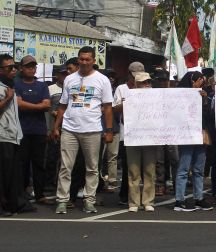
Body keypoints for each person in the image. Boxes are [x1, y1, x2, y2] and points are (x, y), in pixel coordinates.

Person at [51, 47, 114, 214]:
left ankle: (89, 200)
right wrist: (56, 127)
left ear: (94, 61)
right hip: (69, 129)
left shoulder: (102, 80)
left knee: (92, 167)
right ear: (78, 60)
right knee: (65, 166)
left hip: (92, 129)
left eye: (87, 59)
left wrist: (109, 130)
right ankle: (62, 200)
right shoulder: (70, 79)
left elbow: (108, 107)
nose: (84, 62)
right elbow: (63, 105)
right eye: (81, 59)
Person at [173, 71, 213, 212]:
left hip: (201, 133)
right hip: (186, 134)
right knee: (184, 168)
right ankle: (179, 200)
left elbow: (209, 115)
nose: (201, 83)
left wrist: (205, 100)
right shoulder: (180, 94)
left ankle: (198, 198)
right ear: (192, 81)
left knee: (198, 169)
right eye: (199, 81)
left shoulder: (203, 94)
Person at [14, 55, 51, 205]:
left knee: (39, 164)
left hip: (39, 130)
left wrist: (27, 104)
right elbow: (18, 104)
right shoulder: (16, 84)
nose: (31, 69)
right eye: (28, 66)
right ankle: (22, 193)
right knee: (22, 163)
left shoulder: (42, 86)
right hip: (22, 130)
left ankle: (40, 194)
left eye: (33, 66)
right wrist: (38, 106)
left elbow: (47, 105)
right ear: (21, 68)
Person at [124, 72, 159, 212]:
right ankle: (133, 202)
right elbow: (117, 110)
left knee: (149, 170)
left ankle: (148, 201)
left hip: (150, 138)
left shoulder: (156, 98)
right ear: (136, 84)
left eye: (148, 82)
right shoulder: (128, 96)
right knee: (133, 171)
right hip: (133, 138)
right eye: (144, 82)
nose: (147, 85)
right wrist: (125, 102)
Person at [113, 62, 146, 206]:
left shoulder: (147, 88)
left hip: (145, 132)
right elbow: (115, 108)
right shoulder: (122, 88)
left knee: (146, 166)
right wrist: (127, 102)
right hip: (127, 133)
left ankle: (144, 196)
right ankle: (125, 194)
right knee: (129, 167)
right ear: (129, 74)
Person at [0, 54, 24, 216]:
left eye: (14, 67)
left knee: (13, 174)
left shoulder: (11, 86)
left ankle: (13, 204)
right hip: (2, 136)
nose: (14, 70)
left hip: (14, 136)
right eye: (10, 68)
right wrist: (7, 98)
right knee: (2, 175)